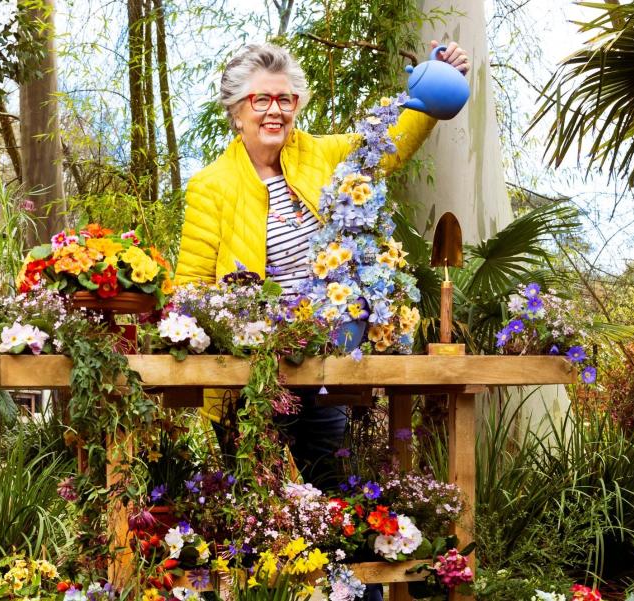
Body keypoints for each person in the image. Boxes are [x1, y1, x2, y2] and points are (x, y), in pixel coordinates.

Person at [174, 41, 469, 599]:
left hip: (323, 366)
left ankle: (362, 593)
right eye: (261, 99)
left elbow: (389, 146)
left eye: (286, 99)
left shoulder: (322, 155)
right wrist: (229, 329)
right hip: (251, 380)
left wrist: (434, 88)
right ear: (236, 109)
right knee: (255, 511)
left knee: (337, 499)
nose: (275, 110)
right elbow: (191, 285)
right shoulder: (211, 185)